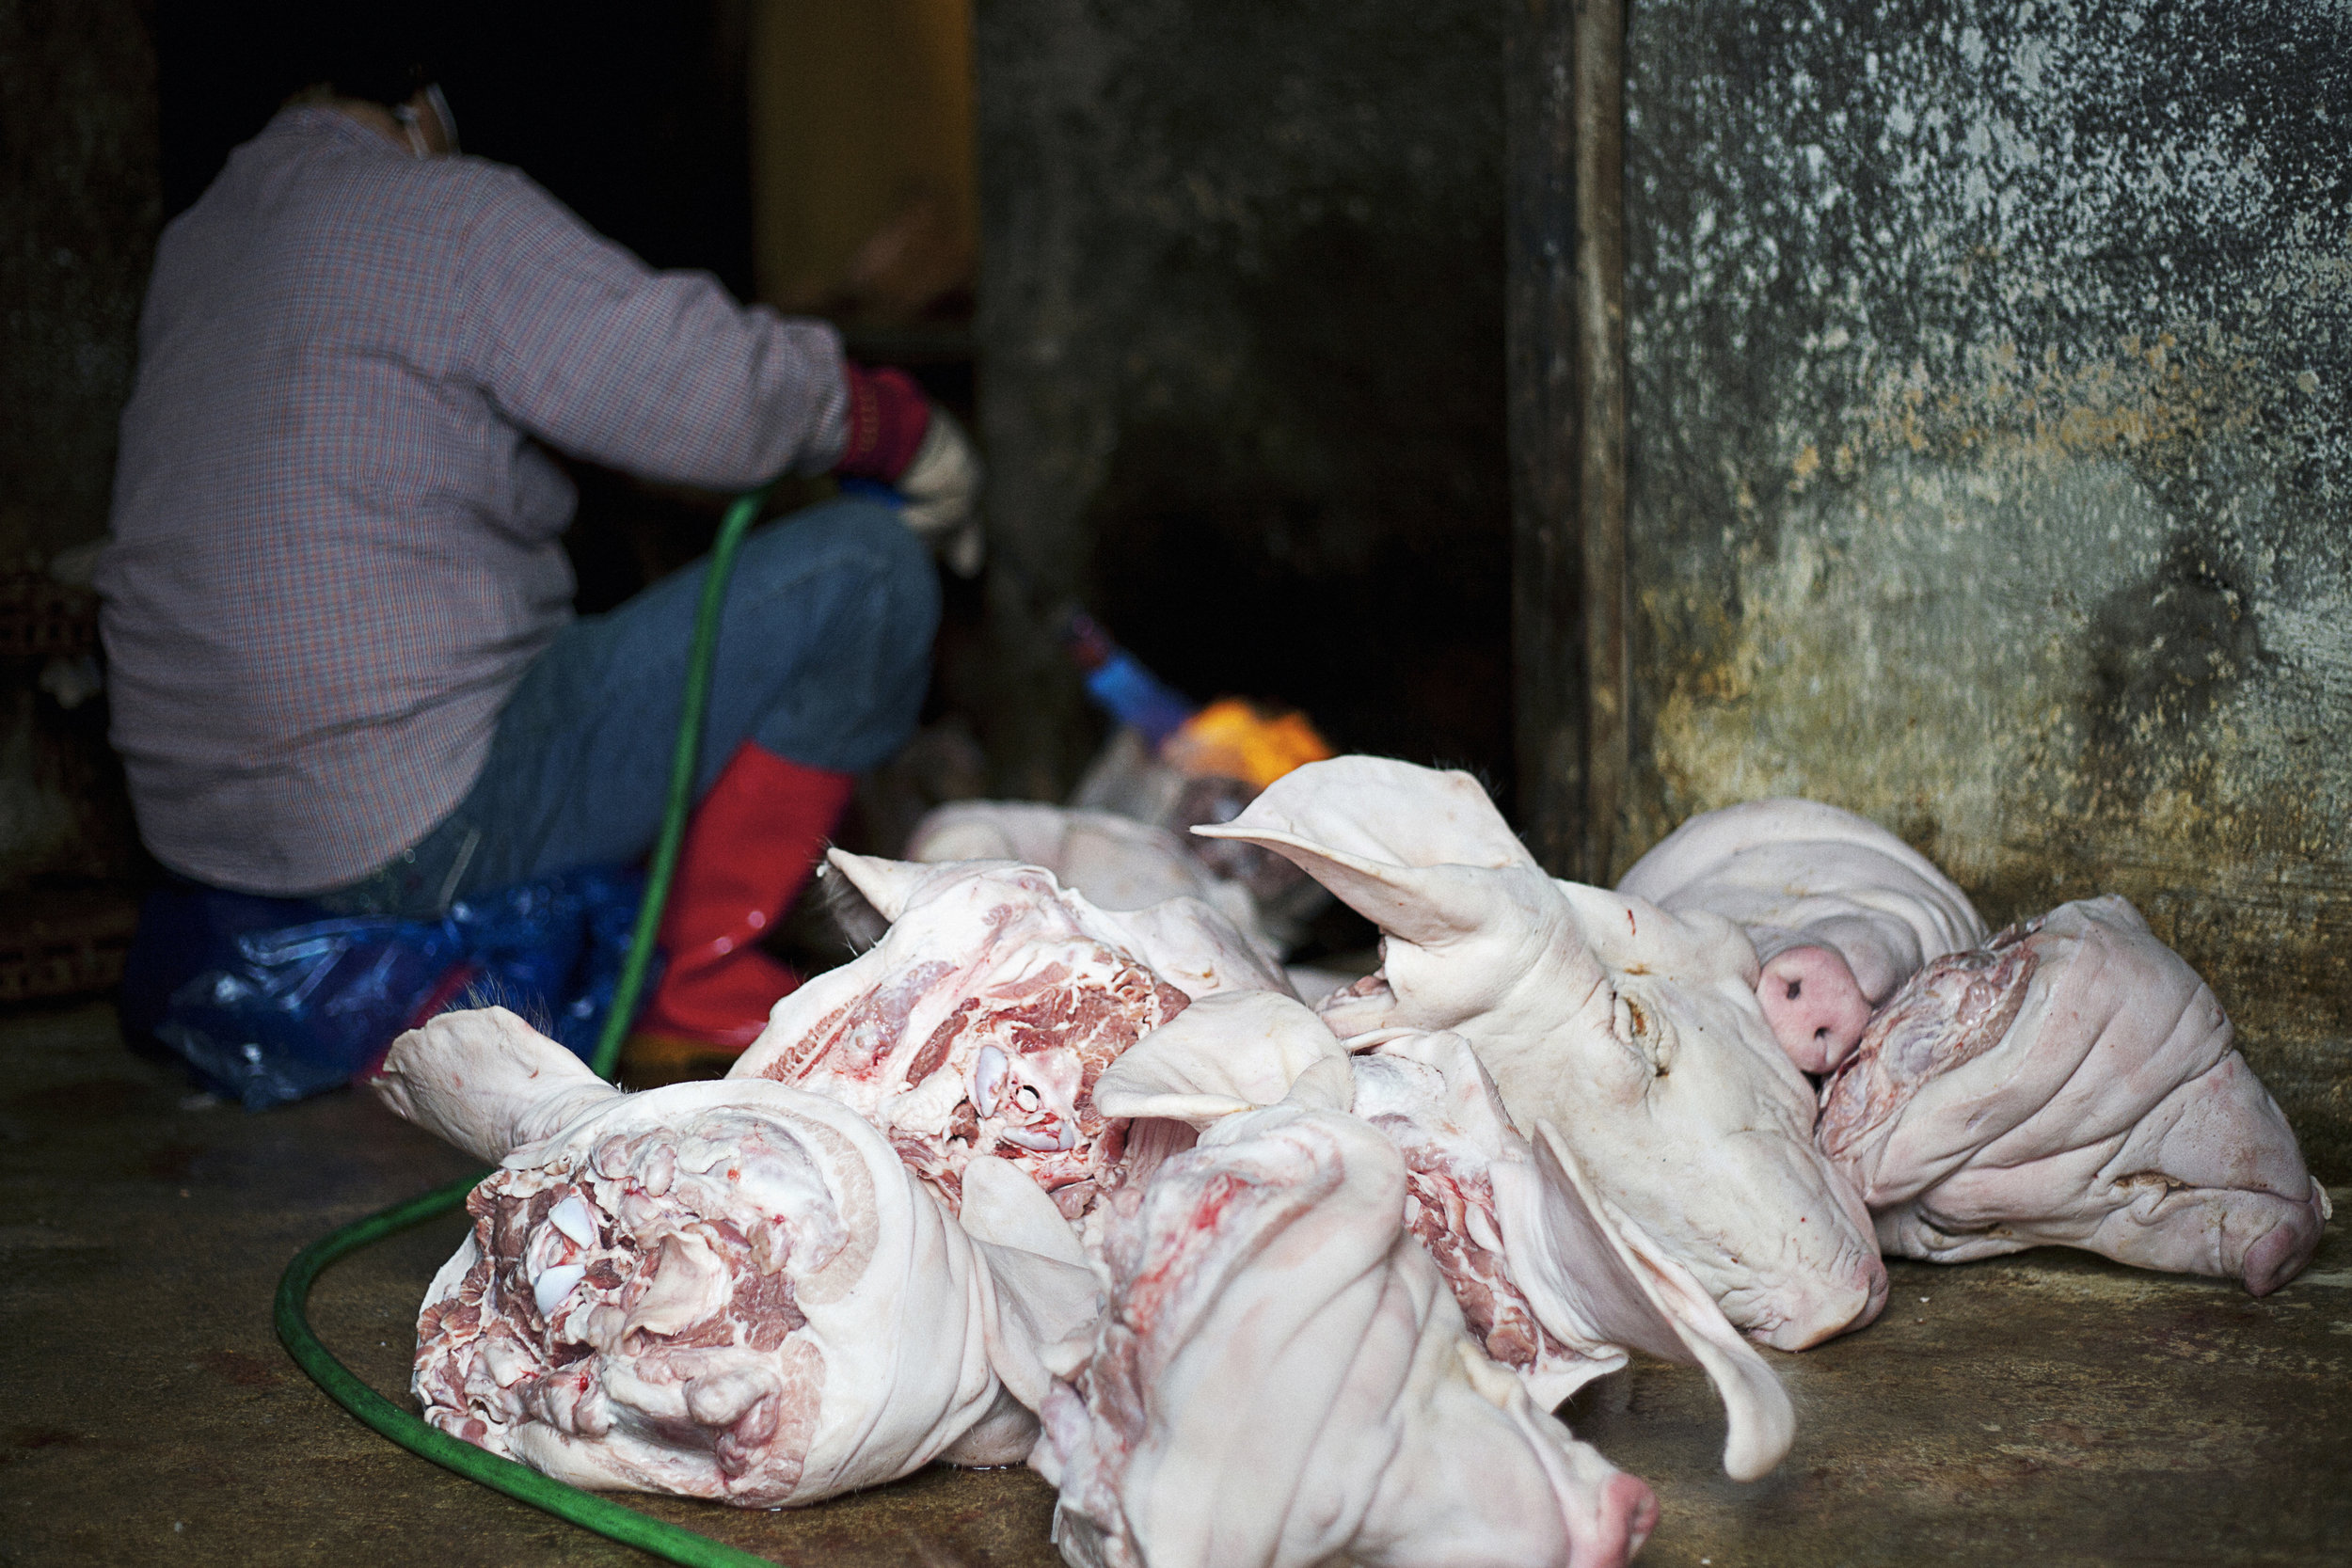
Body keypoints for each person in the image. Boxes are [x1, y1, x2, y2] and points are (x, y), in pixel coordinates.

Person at [97, 47, 979, 1053]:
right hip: (406, 826)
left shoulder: (200, 241)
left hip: (205, 840)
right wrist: (884, 422)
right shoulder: (440, 211)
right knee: (865, 569)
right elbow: (709, 399)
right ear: (422, 107)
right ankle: (689, 985)